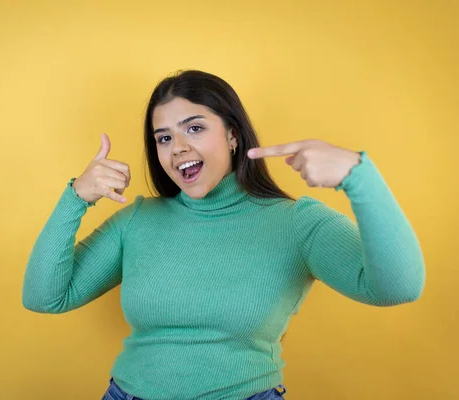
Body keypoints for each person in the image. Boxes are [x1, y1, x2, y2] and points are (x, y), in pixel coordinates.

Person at [22, 70, 426, 400]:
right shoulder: (139, 220)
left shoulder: (295, 223)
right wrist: (76, 197)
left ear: (233, 135)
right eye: (164, 137)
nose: (177, 148)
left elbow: (398, 287)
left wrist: (358, 176)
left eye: (194, 128)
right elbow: (45, 297)